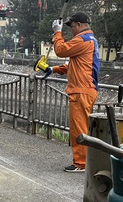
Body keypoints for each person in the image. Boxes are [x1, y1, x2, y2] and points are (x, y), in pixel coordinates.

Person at [41, 12, 100, 173]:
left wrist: (57, 32)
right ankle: (83, 160)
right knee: (82, 127)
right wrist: (52, 69)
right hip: (85, 89)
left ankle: (80, 163)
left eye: (72, 26)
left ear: (80, 25)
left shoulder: (82, 40)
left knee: (79, 128)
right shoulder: (90, 41)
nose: (71, 30)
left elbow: (60, 50)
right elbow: (73, 65)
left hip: (82, 90)